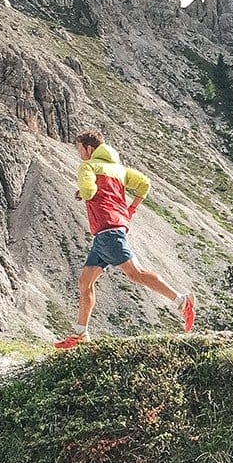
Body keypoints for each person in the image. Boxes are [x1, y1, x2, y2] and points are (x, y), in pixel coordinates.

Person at [54, 129, 195, 348]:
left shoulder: (88, 166)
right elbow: (144, 184)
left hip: (108, 229)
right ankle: (81, 334)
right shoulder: (118, 169)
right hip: (107, 232)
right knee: (85, 281)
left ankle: (181, 300)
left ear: (89, 149)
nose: (79, 153)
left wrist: (83, 191)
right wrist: (131, 209)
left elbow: (90, 191)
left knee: (135, 273)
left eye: (79, 148)